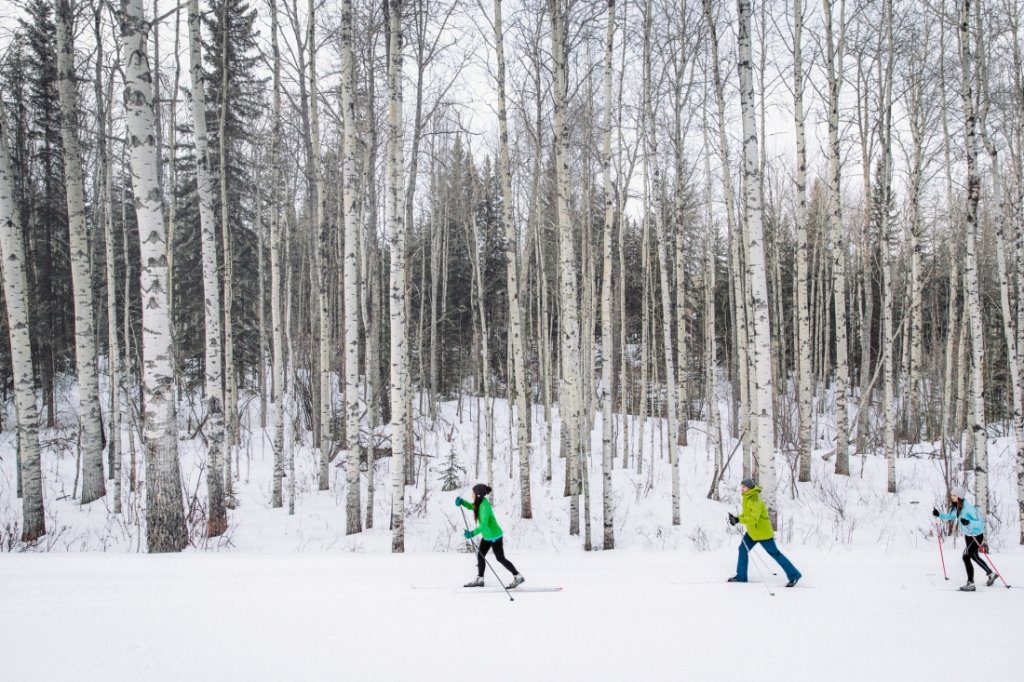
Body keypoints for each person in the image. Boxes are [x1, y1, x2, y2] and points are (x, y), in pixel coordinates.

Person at [727, 478, 802, 587]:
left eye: (744, 487)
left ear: (749, 488)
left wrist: (739, 520)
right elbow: (746, 514)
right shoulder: (747, 498)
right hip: (753, 533)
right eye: (741, 486)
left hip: (763, 534)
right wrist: (736, 518)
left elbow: (753, 519)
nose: (741, 488)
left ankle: (794, 575)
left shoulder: (755, 500)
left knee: (775, 554)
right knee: (742, 549)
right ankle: (741, 576)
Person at [456, 484, 525, 589]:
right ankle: (480, 579)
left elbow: (484, 525)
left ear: (478, 495)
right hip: (487, 535)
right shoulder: (480, 503)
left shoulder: (484, 507)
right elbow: (472, 507)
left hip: (494, 535)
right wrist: (462, 502)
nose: (472, 494)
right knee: (481, 555)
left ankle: (517, 576)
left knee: (500, 558)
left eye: (473, 493)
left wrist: (472, 533)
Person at [933, 485, 996, 592]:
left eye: (954, 495)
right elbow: (951, 516)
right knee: (974, 557)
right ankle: (991, 574)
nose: (952, 497)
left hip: (976, 536)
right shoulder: (957, 506)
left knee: (966, 557)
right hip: (968, 536)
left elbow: (980, 523)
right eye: (952, 495)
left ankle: (971, 584)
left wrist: (969, 522)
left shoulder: (968, 509)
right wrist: (939, 515)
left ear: (960, 497)